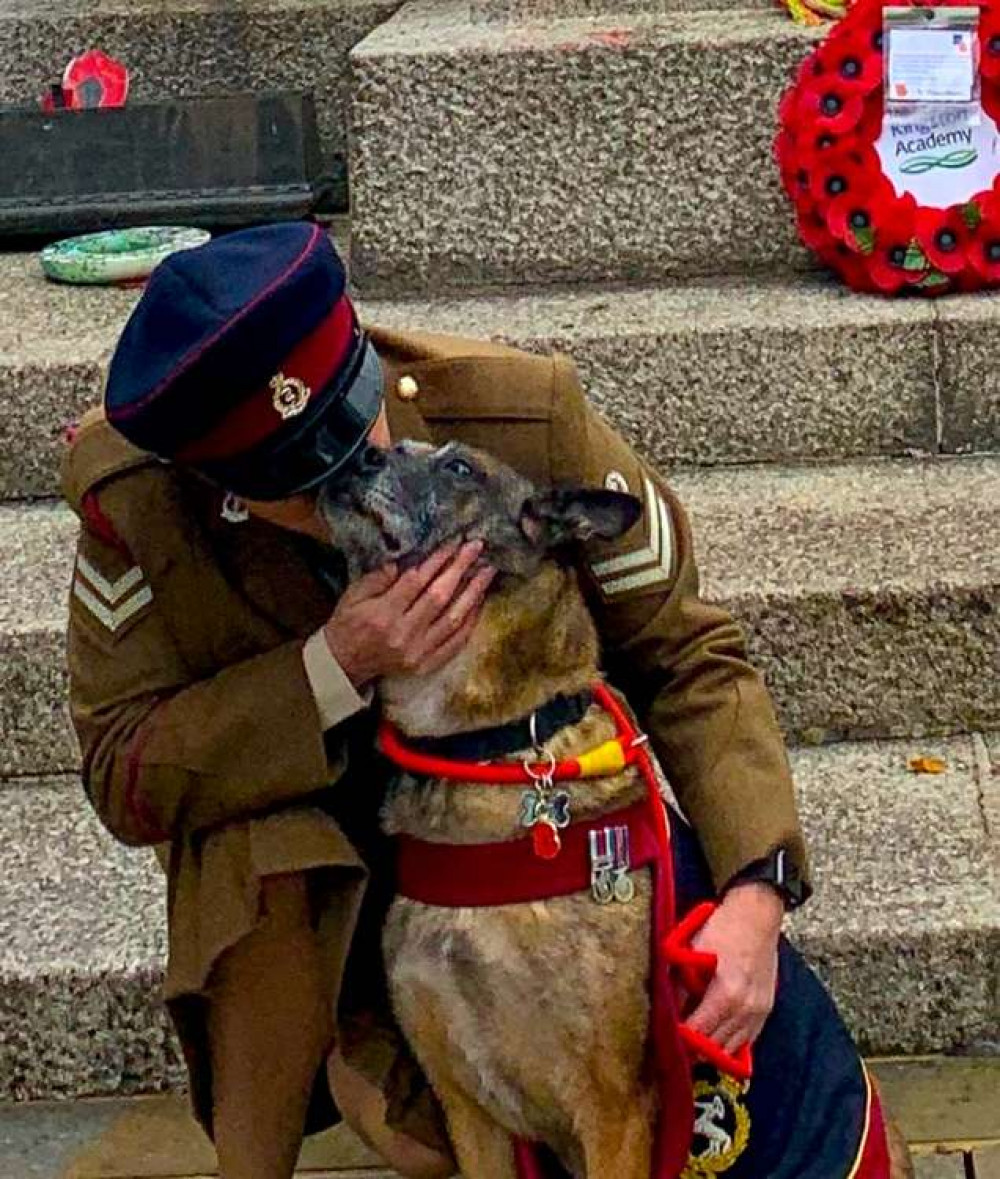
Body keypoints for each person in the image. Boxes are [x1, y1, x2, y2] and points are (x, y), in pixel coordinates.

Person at [63, 222, 810, 1179]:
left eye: (353, 434)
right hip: (335, 873)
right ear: (215, 478)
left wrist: (756, 891)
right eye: (310, 483)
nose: (358, 482)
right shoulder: (140, 507)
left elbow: (691, 655)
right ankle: (307, 1104)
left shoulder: (519, 419)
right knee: (271, 862)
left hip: (523, 828)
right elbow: (123, 771)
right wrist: (334, 664)